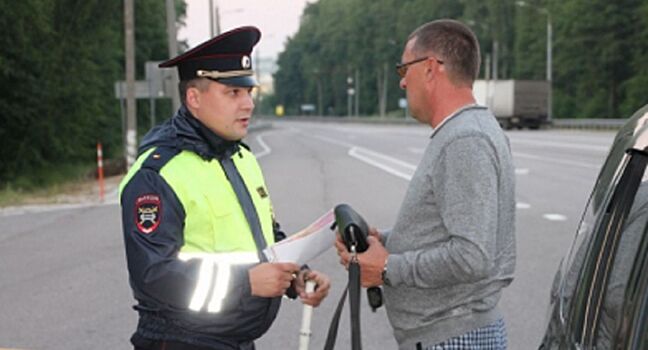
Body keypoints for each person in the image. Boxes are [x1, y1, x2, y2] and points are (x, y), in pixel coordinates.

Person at [119, 26, 330, 350]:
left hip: (235, 341)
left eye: (249, 92)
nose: (247, 104)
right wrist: (243, 284)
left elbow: (263, 238)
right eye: (233, 93)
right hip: (181, 341)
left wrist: (295, 274)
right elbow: (154, 276)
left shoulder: (240, 157)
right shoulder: (158, 173)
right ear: (194, 98)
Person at [335, 19, 516, 350]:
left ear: (431, 68)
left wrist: (388, 266)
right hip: (453, 335)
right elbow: (451, 233)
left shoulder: (465, 139)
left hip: (453, 339)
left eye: (404, 69)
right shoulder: (467, 130)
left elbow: (471, 255)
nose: (402, 83)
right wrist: (385, 241)